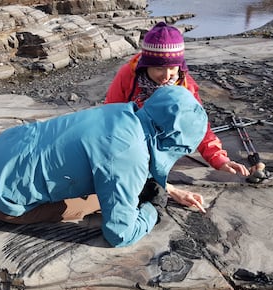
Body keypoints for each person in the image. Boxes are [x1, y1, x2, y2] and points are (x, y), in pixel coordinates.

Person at [0, 86, 208, 248]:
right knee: (98, 202)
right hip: (2, 201)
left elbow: (113, 155)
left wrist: (158, 186)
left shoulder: (120, 111)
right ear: (174, 142)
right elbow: (119, 235)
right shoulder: (129, 155)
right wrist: (152, 211)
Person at [104, 22, 250, 213]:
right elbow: (110, 118)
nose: (166, 76)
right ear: (146, 64)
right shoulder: (128, 76)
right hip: (130, 137)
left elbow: (198, 125)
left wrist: (219, 159)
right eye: (158, 69)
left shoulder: (184, 84)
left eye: (172, 68)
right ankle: (155, 181)